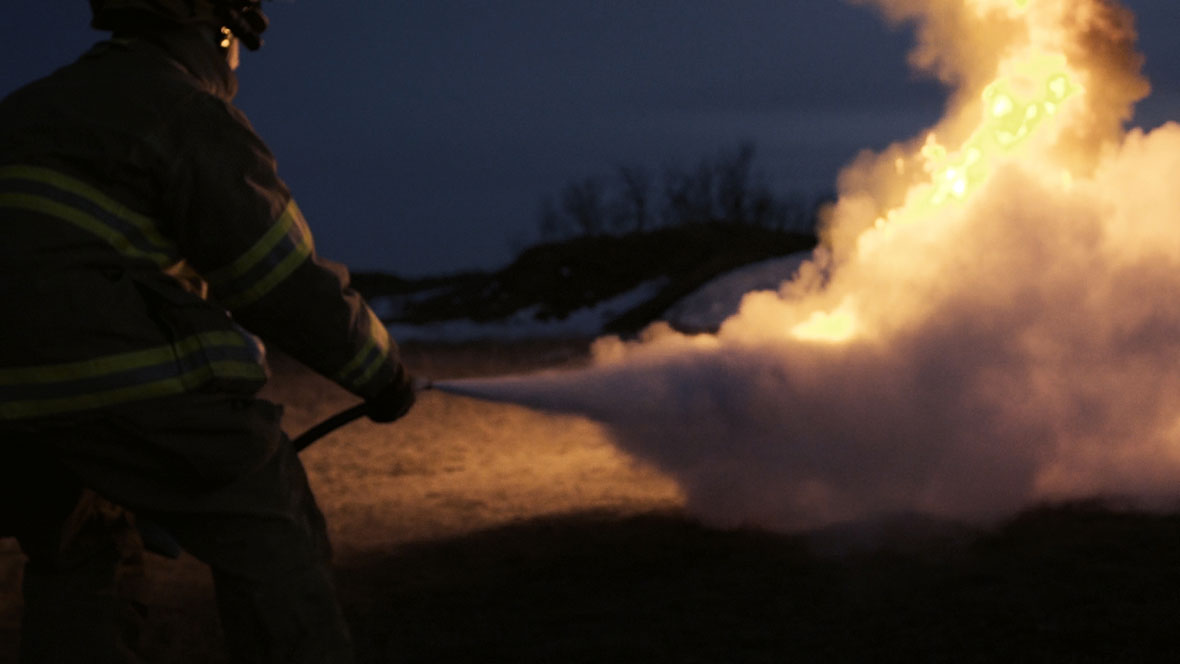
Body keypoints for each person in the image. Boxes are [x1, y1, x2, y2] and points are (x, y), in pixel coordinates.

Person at [0, 1, 416, 661]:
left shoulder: (26, 110)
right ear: (217, 30)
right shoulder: (179, 110)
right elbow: (277, 277)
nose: (236, 67)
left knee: (81, 556)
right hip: (118, 381)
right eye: (236, 43)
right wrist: (383, 373)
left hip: (14, 410)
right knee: (270, 515)